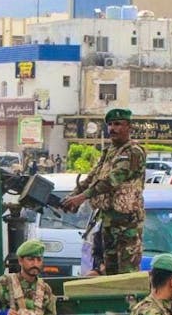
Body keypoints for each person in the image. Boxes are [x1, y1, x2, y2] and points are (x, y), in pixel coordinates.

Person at [61, 108, 146, 276]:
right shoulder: (109, 152)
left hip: (126, 225)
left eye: (118, 124)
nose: (113, 129)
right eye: (110, 125)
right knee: (109, 273)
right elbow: (92, 178)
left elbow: (112, 180)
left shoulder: (133, 152)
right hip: (108, 223)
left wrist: (81, 198)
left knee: (126, 275)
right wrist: (71, 197)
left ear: (128, 126)